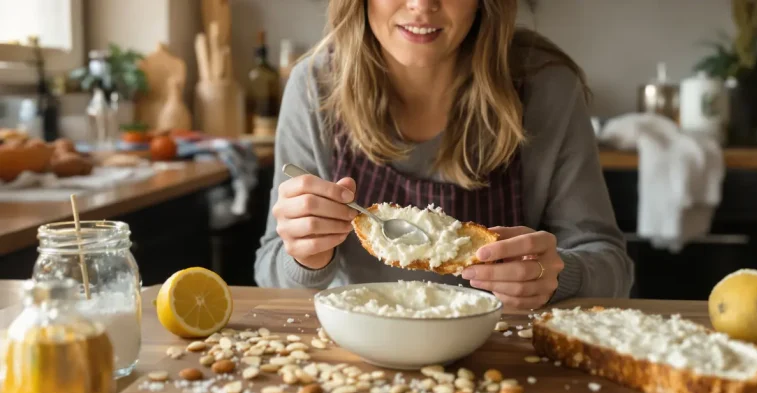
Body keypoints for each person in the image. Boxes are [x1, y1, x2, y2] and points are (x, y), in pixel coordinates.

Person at [255, 0, 634, 308]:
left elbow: (613, 266)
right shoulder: (315, 86)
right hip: (357, 355)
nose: (421, 5)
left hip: (500, 357)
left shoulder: (546, 88)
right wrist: (306, 257)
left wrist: (559, 275)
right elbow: (269, 269)